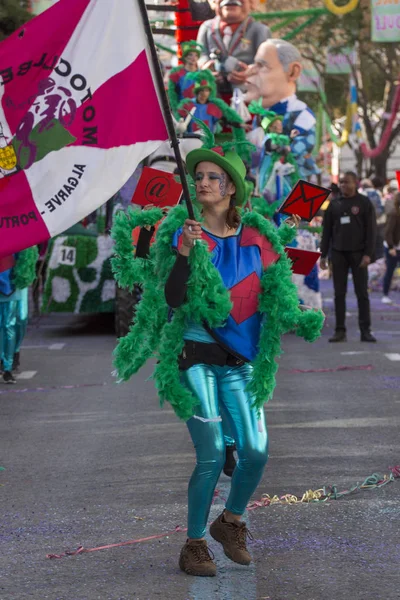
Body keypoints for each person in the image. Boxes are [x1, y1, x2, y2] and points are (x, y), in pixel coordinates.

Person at [112, 132, 324, 577]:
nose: (203, 183)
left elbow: (275, 291)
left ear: (230, 188)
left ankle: (230, 521)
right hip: (194, 358)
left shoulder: (256, 238)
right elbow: (171, 296)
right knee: (210, 453)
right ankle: (193, 544)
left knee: (256, 451)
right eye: (199, 177)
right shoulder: (182, 233)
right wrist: (186, 254)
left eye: (213, 177)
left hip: (241, 363)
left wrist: (294, 310)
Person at [245, 39, 319, 179]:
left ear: (292, 72)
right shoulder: (261, 114)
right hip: (265, 177)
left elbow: (303, 145)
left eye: (262, 65)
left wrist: (280, 149)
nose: (250, 71)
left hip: (295, 179)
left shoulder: (302, 113)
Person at [320, 172, 377, 342]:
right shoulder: (334, 204)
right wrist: (323, 255)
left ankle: (365, 331)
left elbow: (372, 231)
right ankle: (340, 331)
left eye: (347, 182)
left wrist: (368, 254)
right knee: (339, 293)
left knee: (362, 294)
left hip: (359, 254)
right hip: (338, 253)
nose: (344, 185)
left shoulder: (364, 203)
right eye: (342, 182)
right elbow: (326, 231)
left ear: (355, 183)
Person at [197, 0, 271, 97]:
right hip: (213, 92)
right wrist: (205, 66)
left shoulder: (259, 30)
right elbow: (201, 53)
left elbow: (266, 61)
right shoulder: (207, 27)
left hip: (246, 92)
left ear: (251, 3)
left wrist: (250, 72)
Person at [167, 41, 204, 114]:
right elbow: (172, 94)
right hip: (183, 110)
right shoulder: (177, 73)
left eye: (196, 55)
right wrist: (176, 110)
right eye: (190, 55)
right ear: (185, 56)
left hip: (200, 111)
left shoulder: (203, 74)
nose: (193, 58)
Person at [382, 191, 400, 304]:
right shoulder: (394, 213)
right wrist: (391, 247)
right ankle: (385, 294)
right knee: (390, 271)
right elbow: (388, 232)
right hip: (392, 247)